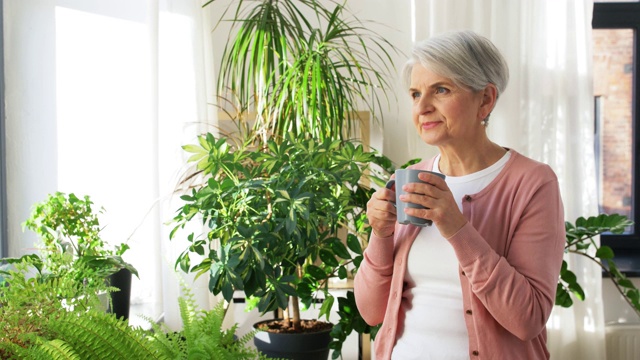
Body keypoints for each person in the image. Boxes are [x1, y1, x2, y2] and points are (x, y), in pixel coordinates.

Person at [354, 30, 566, 360]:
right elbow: (370, 312)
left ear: (485, 99)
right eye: (414, 94)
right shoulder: (409, 180)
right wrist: (379, 236)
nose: (422, 107)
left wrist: (457, 228)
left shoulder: (533, 184)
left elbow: (528, 319)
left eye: (440, 90)